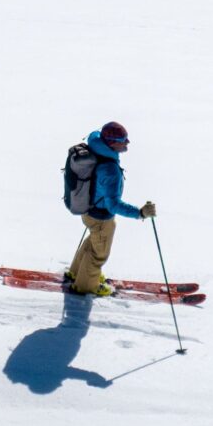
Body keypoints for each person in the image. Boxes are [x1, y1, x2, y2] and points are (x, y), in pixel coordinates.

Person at [63, 120, 154, 297]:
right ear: (112, 143)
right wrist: (140, 212)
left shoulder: (97, 150)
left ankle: (77, 273)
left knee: (93, 242)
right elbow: (113, 204)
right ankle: (86, 286)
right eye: (123, 140)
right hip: (101, 216)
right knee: (99, 254)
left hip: (88, 211)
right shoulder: (110, 170)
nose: (127, 143)